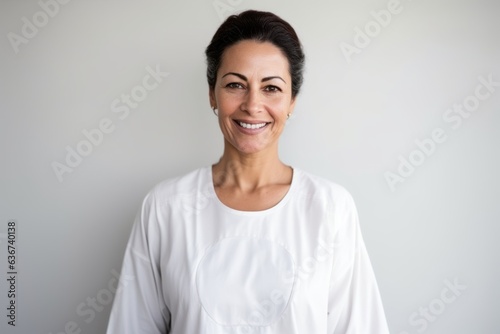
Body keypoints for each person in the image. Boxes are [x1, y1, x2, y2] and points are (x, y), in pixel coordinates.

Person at [106, 9, 389, 334]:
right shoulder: (166, 206)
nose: (252, 105)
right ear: (212, 94)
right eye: (235, 85)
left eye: (271, 88)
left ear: (292, 101)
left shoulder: (330, 208)